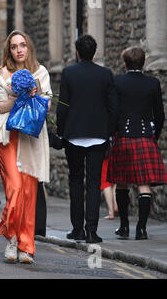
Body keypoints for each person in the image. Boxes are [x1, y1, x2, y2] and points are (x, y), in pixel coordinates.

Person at [0, 30, 52, 264]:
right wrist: (18, 96)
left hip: (31, 138)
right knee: (15, 190)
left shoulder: (41, 72)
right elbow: (0, 107)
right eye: (15, 46)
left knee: (29, 193)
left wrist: (36, 96)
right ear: (9, 50)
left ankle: (26, 247)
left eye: (23, 45)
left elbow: (46, 107)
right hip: (9, 136)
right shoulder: (1, 74)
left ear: (29, 48)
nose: (19, 50)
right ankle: (11, 237)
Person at [56, 35, 118, 244]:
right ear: (94, 52)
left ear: (78, 53)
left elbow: (62, 106)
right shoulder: (105, 74)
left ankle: (77, 230)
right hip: (98, 136)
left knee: (75, 182)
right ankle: (92, 231)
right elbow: (113, 108)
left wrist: (61, 132)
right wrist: (109, 133)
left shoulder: (69, 73)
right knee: (93, 183)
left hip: (74, 136)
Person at [107, 46, 167, 240]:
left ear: (125, 63)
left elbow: (113, 112)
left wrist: (111, 134)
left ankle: (124, 227)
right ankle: (141, 229)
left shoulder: (117, 82)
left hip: (123, 137)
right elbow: (159, 115)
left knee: (122, 184)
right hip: (144, 138)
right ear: (144, 63)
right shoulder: (153, 83)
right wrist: (153, 135)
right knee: (144, 185)